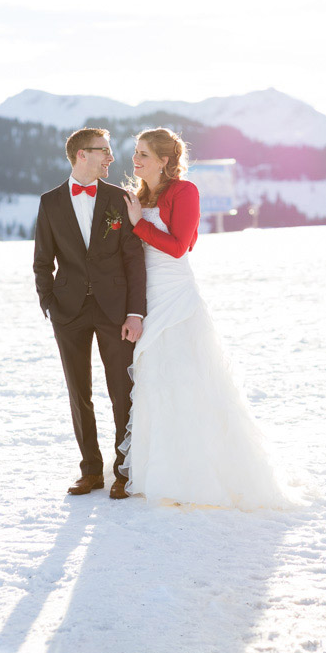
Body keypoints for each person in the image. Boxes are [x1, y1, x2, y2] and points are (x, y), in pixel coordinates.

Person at [120, 128, 296, 510]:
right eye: (136, 153)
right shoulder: (140, 196)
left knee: (187, 379)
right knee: (156, 383)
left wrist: (138, 223)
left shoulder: (185, 192)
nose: (136, 160)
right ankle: (157, 471)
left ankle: (197, 476)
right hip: (146, 298)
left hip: (176, 297)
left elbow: (180, 246)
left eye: (144, 154)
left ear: (165, 160)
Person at [33, 127, 147, 500]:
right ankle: (90, 472)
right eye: (104, 152)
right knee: (78, 393)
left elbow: (133, 259)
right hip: (68, 313)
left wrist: (134, 312)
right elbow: (42, 262)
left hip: (113, 310)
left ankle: (123, 471)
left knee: (121, 392)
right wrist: (49, 302)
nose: (111, 159)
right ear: (82, 155)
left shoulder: (120, 199)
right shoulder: (50, 202)